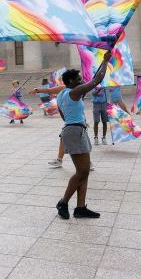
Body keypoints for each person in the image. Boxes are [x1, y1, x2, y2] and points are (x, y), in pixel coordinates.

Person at [54, 49, 113, 220]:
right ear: (71, 81)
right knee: (82, 172)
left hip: (72, 129)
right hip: (75, 131)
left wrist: (76, 120)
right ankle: (63, 203)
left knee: (84, 171)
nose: (81, 81)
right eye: (79, 79)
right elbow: (96, 80)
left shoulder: (62, 95)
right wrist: (105, 60)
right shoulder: (74, 92)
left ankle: (80, 207)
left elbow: (64, 116)